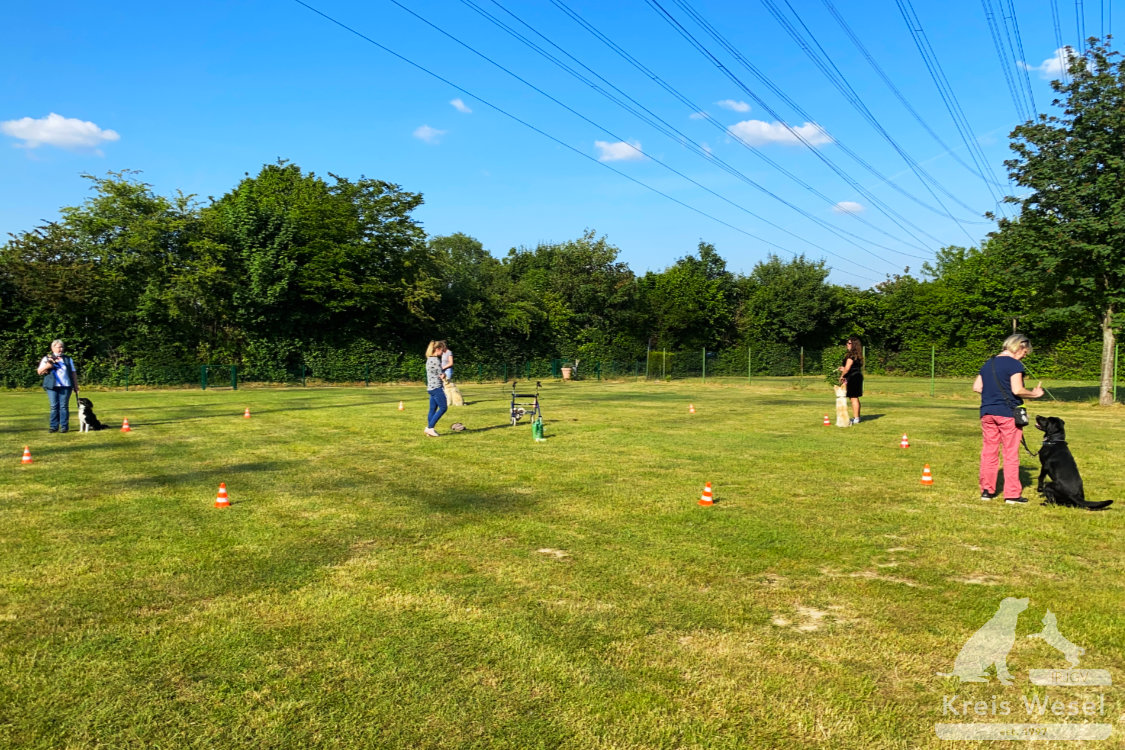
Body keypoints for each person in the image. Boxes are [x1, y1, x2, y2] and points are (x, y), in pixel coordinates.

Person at [972, 333, 1045, 504]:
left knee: (989, 452)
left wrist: (993, 394)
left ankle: (987, 491)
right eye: (1025, 352)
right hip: (1007, 413)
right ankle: (1011, 494)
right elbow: (1018, 390)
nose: (1024, 355)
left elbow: (977, 387)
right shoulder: (1014, 364)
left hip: (987, 412)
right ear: (1019, 346)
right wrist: (1034, 394)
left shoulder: (988, 363)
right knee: (1010, 453)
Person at [37, 339, 79, 433]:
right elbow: (39, 372)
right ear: (52, 348)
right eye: (58, 347)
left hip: (66, 386)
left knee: (64, 406)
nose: (60, 349)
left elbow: (73, 373)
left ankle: (64, 426)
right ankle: (53, 426)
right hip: (52, 386)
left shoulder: (68, 359)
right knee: (54, 406)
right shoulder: (46, 358)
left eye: (62, 347)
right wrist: (48, 365)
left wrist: (76, 385)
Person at [837, 336, 864, 425]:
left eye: (849, 343)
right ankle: (857, 417)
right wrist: (843, 368)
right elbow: (852, 367)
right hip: (857, 376)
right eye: (847, 343)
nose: (847, 345)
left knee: (853, 398)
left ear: (854, 345)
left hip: (853, 377)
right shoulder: (857, 355)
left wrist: (842, 375)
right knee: (854, 397)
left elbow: (848, 368)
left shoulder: (851, 355)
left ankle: (856, 418)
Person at [424, 340, 449, 437]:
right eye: (442, 350)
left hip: (430, 388)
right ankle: (430, 428)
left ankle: (430, 431)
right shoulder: (436, 360)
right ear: (437, 349)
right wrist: (444, 375)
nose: (442, 353)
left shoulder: (429, 359)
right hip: (436, 387)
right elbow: (440, 375)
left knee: (432, 409)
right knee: (443, 407)